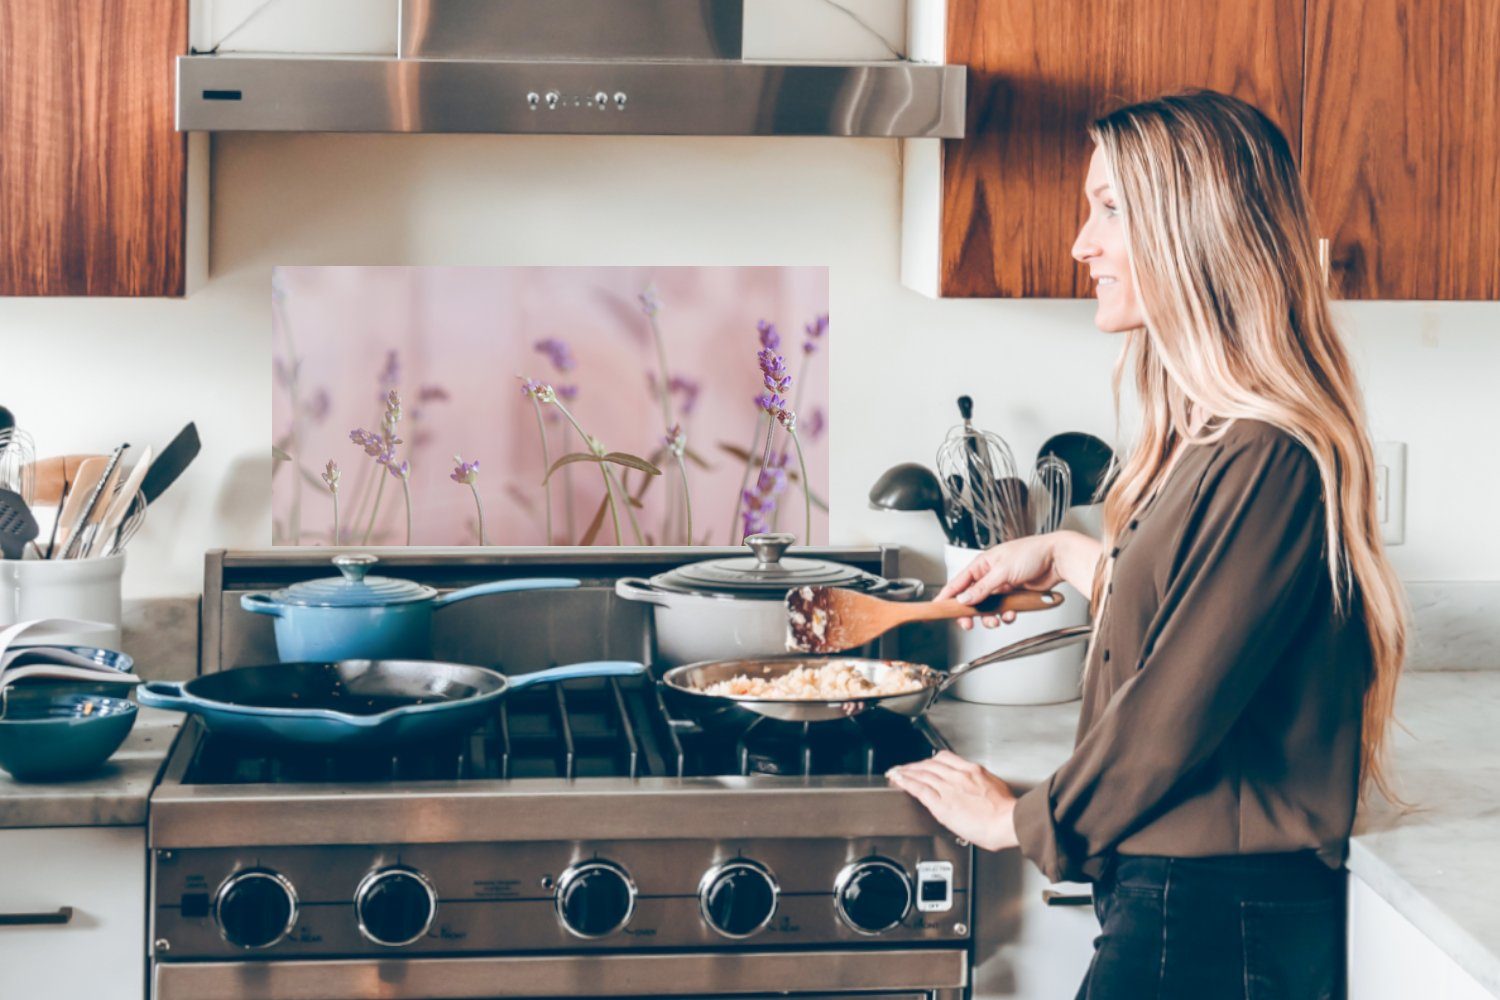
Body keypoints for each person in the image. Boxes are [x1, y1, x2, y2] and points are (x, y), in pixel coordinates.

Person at [887, 90, 1407, 999]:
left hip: (1217, 916)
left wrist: (1025, 821)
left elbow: (1174, 709)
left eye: (1110, 209)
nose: (1083, 242)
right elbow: (1201, 608)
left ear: (1195, 230)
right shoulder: (1212, 438)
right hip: (1187, 901)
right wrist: (1066, 552)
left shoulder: (1270, 452)